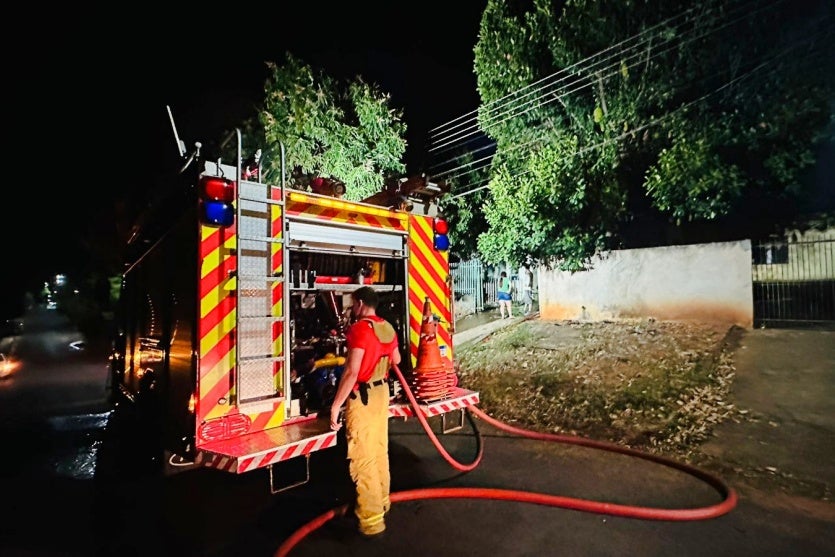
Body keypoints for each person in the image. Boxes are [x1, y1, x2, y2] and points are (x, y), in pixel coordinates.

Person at [330, 286, 401, 538]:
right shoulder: (387, 327)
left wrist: (336, 406)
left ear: (360, 303)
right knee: (379, 450)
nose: (351, 308)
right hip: (381, 394)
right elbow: (397, 360)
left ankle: (372, 521)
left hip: (363, 396)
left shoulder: (359, 329)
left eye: (352, 304)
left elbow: (351, 372)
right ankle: (382, 502)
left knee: (363, 457)